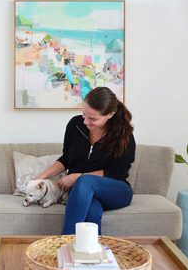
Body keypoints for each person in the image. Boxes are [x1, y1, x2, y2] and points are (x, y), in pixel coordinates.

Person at [34, 86, 136, 235]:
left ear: (110, 114)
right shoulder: (75, 125)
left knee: (85, 181)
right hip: (81, 192)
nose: (86, 122)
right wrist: (40, 178)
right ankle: (92, 255)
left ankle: (65, 242)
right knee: (92, 212)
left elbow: (117, 172)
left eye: (93, 119)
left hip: (116, 190)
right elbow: (66, 158)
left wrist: (79, 176)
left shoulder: (123, 135)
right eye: (84, 115)